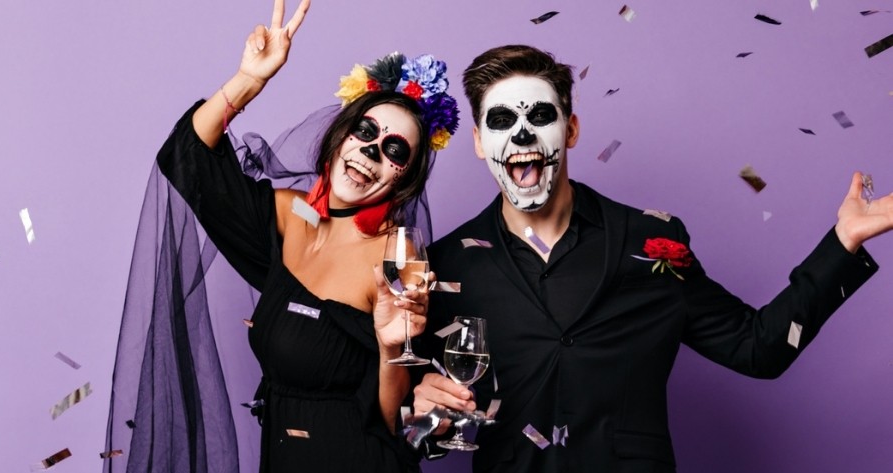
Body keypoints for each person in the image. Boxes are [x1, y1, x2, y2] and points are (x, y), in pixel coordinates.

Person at [412, 44, 892, 473]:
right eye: (500, 121)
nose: (522, 136)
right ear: (479, 141)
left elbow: (759, 348)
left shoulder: (650, 238)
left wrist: (843, 242)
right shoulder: (446, 265)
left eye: (540, 116)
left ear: (571, 129)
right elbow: (416, 419)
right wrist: (423, 409)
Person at [102, 0, 460, 472]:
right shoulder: (292, 215)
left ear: (404, 180)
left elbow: (397, 421)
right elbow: (189, 158)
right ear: (340, 136)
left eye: (394, 150)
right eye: (365, 131)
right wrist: (249, 79)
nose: (371, 152)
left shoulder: (398, 255)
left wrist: (392, 349)